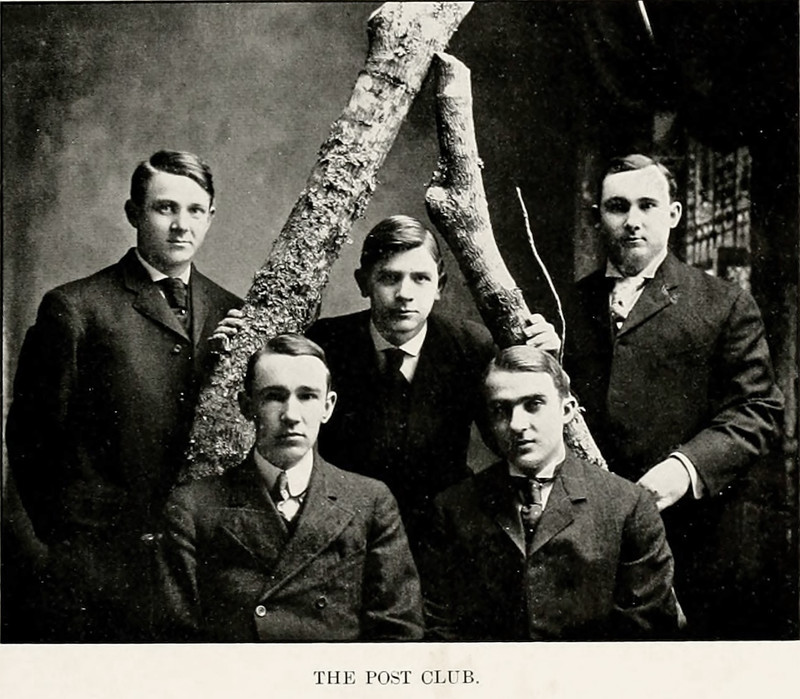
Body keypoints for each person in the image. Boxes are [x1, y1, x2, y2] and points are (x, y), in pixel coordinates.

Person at [4, 150, 243, 642]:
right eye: (164, 208)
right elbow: (30, 440)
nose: (181, 226)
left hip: (203, 563)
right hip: (102, 566)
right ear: (134, 213)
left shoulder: (232, 312)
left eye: (195, 210)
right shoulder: (76, 308)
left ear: (212, 217)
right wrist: (74, 542)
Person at [563, 153, 783, 638]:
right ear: (598, 217)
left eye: (647, 205)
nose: (632, 220)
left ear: (674, 214)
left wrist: (684, 469)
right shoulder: (567, 306)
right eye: (617, 206)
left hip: (693, 537)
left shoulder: (723, 303)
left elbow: (758, 409)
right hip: (590, 540)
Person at [301, 215, 559, 552]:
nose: (404, 294)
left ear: (439, 285)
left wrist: (546, 365)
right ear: (363, 283)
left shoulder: (470, 346)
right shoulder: (327, 343)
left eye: (420, 278)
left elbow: (507, 441)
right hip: (347, 527)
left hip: (444, 531)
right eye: (389, 278)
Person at [157, 334, 423, 642]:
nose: (291, 416)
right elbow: (176, 643)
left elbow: (399, 634)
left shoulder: (370, 501)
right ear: (247, 406)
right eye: (274, 396)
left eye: (307, 396)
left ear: (328, 406)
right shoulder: (193, 507)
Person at [420, 346, 679, 640]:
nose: (517, 424)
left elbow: (647, 633)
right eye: (501, 410)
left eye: (533, 405)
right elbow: (441, 631)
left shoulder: (627, 506)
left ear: (566, 411)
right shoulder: (452, 508)